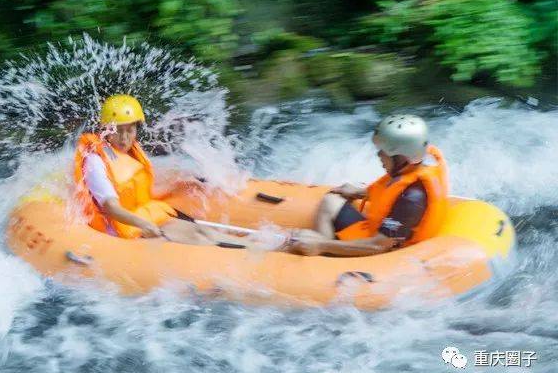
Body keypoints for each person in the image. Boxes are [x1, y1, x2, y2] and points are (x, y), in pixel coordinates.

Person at [74, 94, 252, 246]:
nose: (124, 137)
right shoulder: (95, 161)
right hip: (120, 226)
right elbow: (112, 207)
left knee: (200, 231)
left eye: (130, 130)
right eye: (118, 131)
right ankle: (253, 248)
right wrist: (142, 223)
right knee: (197, 236)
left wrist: (179, 186)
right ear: (105, 130)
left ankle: (257, 245)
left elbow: (138, 190)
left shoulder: (130, 153)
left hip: (141, 215)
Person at [288, 114, 449, 256]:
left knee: (304, 240)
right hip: (377, 234)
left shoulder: (412, 199)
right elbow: (390, 195)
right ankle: (325, 255)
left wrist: (320, 245)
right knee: (331, 201)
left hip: (388, 253)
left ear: (402, 158)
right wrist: (361, 192)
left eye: (383, 151)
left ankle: (322, 255)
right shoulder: (410, 170)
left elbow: (378, 246)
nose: (378, 155)